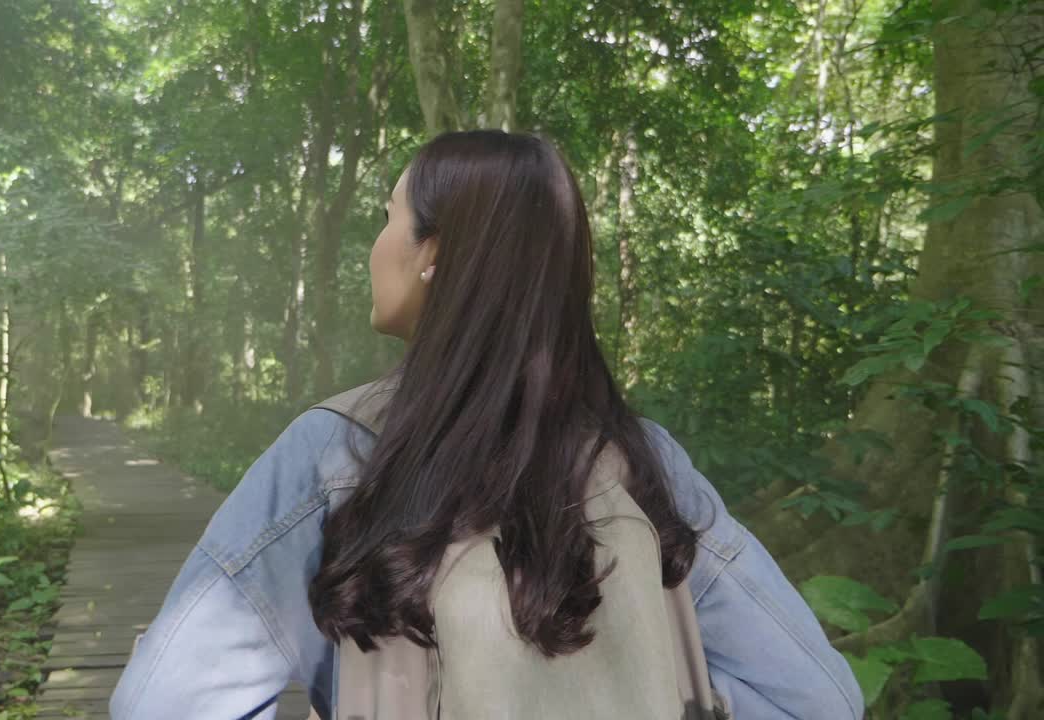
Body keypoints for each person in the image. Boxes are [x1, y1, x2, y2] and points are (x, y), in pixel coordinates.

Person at [109, 130, 865, 720]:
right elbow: (820, 700)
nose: (376, 247)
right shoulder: (641, 462)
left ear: (433, 254)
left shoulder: (336, 452)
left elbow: (164, 705)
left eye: (388, 218)